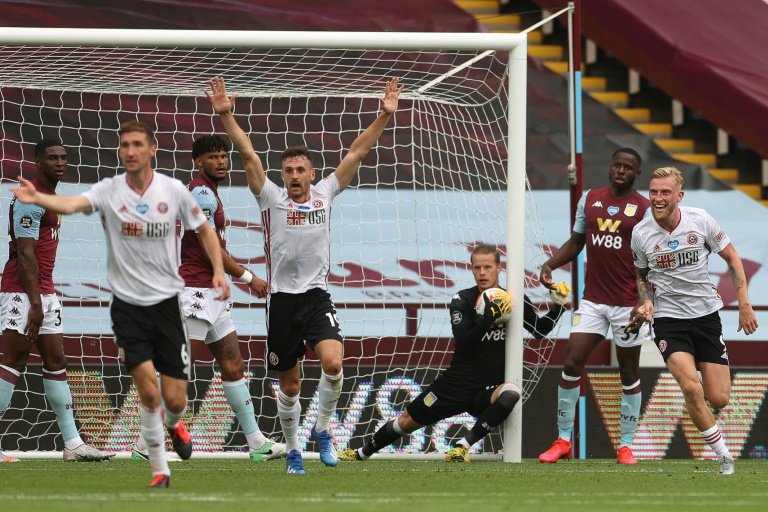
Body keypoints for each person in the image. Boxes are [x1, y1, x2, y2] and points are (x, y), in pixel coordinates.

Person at [12, 121, 231, 488]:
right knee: (146, 388)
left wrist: (220, 272)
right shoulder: (110, 190)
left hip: (166, 306)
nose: (130, 151)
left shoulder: (173, 191)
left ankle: (175, 423)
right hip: (127, 307)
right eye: (124, 145)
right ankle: (160, 469)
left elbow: (205, 231)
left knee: (175, 399)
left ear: (151, 149)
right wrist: (39, 199)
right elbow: (72, 203)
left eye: (137, 145)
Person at [205, 75, 401, 474]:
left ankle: (325, 430)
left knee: (333, 363)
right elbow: (247, 155)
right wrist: (226, 116)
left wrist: (383, 115)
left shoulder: (326, 192)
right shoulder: (270, 196)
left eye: (300, 170)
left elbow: (357, 153)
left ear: (312, 174)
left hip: (316, 297)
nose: (294, 176)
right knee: (290, 387)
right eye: (288, 170)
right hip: (281, 302)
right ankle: (294, 449)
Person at [131, 134, 285, 462]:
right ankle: (148, 443)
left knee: (232, 364)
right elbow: (207, 245)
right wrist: (247, 277)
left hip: (211, 294)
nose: (222, 161)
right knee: (178, 370)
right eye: (213, 157)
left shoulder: (209, 193)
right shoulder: (201, 193)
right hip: (195, 292)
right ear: (198, 162)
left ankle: (256, 442)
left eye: (224, 156)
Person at [337, 244, 569, 462]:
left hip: (486, 390)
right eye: (477, 267)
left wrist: (558, 306)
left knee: (511, 393)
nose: (482, 273)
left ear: (499, 268)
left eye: (488, 267)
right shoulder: (462, 299)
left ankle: (462, 447)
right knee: (406, 421)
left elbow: (540, 330)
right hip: (454, 385)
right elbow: (464, 343)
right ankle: (361, 453)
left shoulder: (512, 299)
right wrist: (486, 318)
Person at [627, 166, 757, 475]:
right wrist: (645, 302)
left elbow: (733, 258)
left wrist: (744, 304)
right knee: (690, 387)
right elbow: (642, 277)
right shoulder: (641, 234)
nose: (658, 198)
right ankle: (723, 456)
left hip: (706, 317)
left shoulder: (700, 221)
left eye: (665, 193)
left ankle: (718, 439)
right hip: (669, 320)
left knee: (720, 398)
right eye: (654, 192)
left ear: (679, 196)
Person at [0, 140, 114, 464]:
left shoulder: (52, 197)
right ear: (38, 161)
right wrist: (35, 303)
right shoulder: (29, 197)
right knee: (12, 363)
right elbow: (25, 255)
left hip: (45, 293)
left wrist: (43, 299)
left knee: (56, 362)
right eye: (52, 158)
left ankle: (73, 443)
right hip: (23, 293)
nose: (60, 162)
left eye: (63, 157)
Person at [538, 148, 650, 465]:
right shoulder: (589, 199)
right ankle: (562, 441)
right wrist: (550, 264)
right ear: (610, 167)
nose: (621, 170)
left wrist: (644, 302)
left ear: (636, 174)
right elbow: (576, 242)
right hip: (593, 303)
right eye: (617, 164)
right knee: (572, 361)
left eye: (628, 167)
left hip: (628, 305)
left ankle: (626, 446)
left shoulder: (644, 210)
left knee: (628, 370)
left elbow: (651, 262)